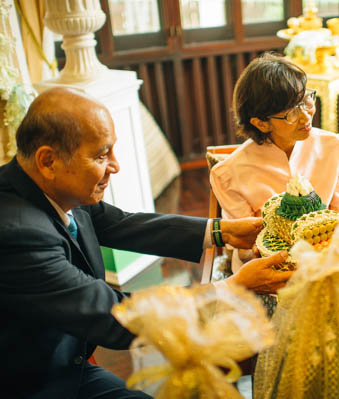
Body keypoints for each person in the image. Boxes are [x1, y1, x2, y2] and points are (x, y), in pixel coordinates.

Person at [0, 87, 292, 398]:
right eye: (101, 155)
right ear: (48, 161)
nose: (115, 166)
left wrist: (223, 231)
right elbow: (113, 315)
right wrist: (232, 288)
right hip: (34, 383)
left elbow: (120, 223)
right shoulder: (17, 235)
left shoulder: (54, 188)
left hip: (68, 362)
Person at [209, 52, 339, 271]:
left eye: (306, 99)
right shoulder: (230, 173)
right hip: (264, 268)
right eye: (291, 112)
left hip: (325, 260)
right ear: (261, 123)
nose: (306, 116)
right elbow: (245, 244)